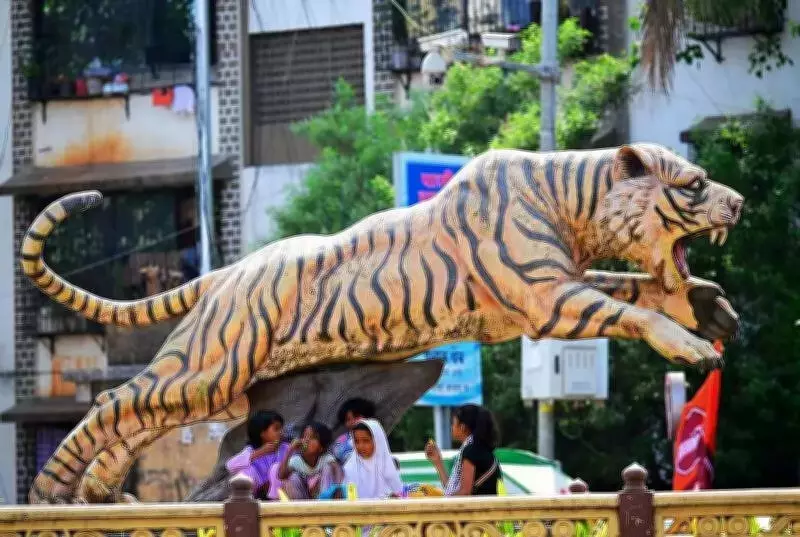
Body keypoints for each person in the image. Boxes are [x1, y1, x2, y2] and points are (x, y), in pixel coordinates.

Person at [424, 404, 501, 496]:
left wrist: (440, 501)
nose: (451, 427)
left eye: (453, 423)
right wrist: (438, 462)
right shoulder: (479, 448)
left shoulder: (471, 451)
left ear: (462, 427)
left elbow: (464, 493)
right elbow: (452, 489)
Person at [225, 410, 289, 500]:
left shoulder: (285, 448)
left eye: (281, 428)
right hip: (258, 493)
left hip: (281, 494)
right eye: (276, 429)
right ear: (262, 433)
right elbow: (230, 466)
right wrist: (260, 452)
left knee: (276, 468)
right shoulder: (252, 450)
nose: (281, 432)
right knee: (246, 472)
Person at [278, 421, 343, 499]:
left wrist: (338, 486)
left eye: (313, 438)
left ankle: (325, 503)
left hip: (323, 498)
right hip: (303, 500)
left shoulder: (325, 458)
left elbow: (338, 469)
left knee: (328, 468)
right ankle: (299, 508)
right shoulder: (296, 460)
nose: (307, 440)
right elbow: (281, 475)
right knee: (292, 477)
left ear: (321, 447)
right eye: (304, 436)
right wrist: (290, 450)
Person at [344, 419, 404, 499]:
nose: (360, 446)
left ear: (377, 441)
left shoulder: (387, 467)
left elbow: (400, 496)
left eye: (366, 441)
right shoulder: (349, 468)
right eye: (356, 441)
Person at [332, 397, 377, 465]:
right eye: (348, 419)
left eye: (356, 417)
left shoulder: (376, 437)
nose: (353, 421)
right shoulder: (340, 442)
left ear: (367, 416)